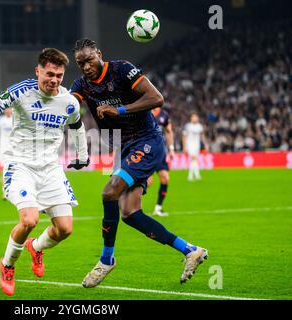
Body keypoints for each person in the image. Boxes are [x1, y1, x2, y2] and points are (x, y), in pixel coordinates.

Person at [70, 38, 208, 287]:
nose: (86, 66)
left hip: (147, 140)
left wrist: (120, 110)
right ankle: (191, 250)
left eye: (89, 59)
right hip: (123, 147)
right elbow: (69, 105)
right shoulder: (81, 84)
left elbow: (156, 98)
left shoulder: (122, 69)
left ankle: (106, 260)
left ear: (99, 54)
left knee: (109, 192)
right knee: (130, 214)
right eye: (81, 63)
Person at [0, 48, 89, 296]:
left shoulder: (68, 100)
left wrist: (82, 154)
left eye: (59, 75)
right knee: (29, 219)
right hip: (21, 165)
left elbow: (77, 124)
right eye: (49, 74)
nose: (54, 80)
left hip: (50, 170)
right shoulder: (21, 91)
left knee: (66, 229)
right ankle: (7, 265)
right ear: (38, 71)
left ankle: (36, 247)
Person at [147, 107, 175, 217]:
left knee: (165, 178)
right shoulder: (145, 111)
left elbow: (169, 132)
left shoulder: (164, 115)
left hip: (160, 152)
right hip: (146, 151)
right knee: (147, 183)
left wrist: (171, 149)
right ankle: (130, 206)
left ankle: (158, 208)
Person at [182, 112, 208, 181]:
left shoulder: (199, 126)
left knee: (195, 159)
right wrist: (185, 146)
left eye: (196, 117)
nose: (195, 118)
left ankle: (194, 175)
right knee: (193, 158)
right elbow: (184, 137)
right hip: (189, 144)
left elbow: (202, 136)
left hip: (197, 145)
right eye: (194, 117)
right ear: (191, 118)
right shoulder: (188, 126)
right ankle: (192, 175)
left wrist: (205, 144)